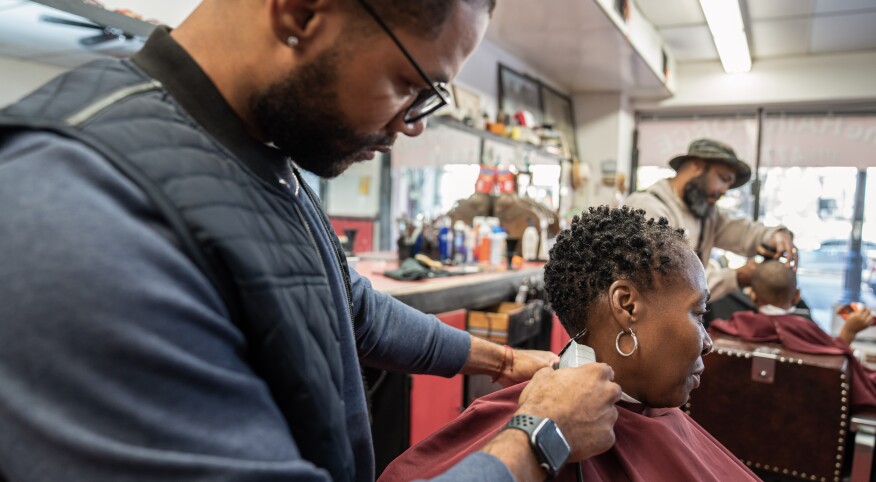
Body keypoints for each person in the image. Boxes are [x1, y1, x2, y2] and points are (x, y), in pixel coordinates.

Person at [0, 1, 621, 481]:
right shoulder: (78, 213)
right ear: (300, 13)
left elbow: (346, 306)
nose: (409, 124)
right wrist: (541, 438)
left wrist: (504, 361)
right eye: (409, 85)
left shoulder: (257, 154)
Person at [379, 206, 760, 481]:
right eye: (699, 313)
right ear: (626, 305)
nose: (708, 341)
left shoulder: (662, 415)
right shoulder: (508, 418)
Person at [625, 138, 798, 302]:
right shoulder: (648, 208)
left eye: (729, 185)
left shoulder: (706, 214)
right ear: (697, 165)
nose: (724, 190)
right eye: (723, 179)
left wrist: (775, 235)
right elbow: (668, 282)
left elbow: (743, 233)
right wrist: (736, 276)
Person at [710, 261, 876, 412]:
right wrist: (848, 333)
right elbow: (837, 363)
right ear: (796, 296)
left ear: (752, 295)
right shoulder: (806, 331)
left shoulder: (733, 325)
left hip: (739, 414)